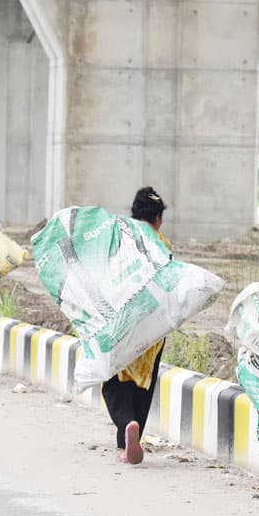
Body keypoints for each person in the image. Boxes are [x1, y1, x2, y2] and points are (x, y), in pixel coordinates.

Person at [101, 186, 169, 464]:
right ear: (158, 219)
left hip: (121, 323)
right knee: (144, 382)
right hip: (153, 328)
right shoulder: (163, 245)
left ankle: (125, 427)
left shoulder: (119, 238)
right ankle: (132, 437)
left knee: (114, 380)